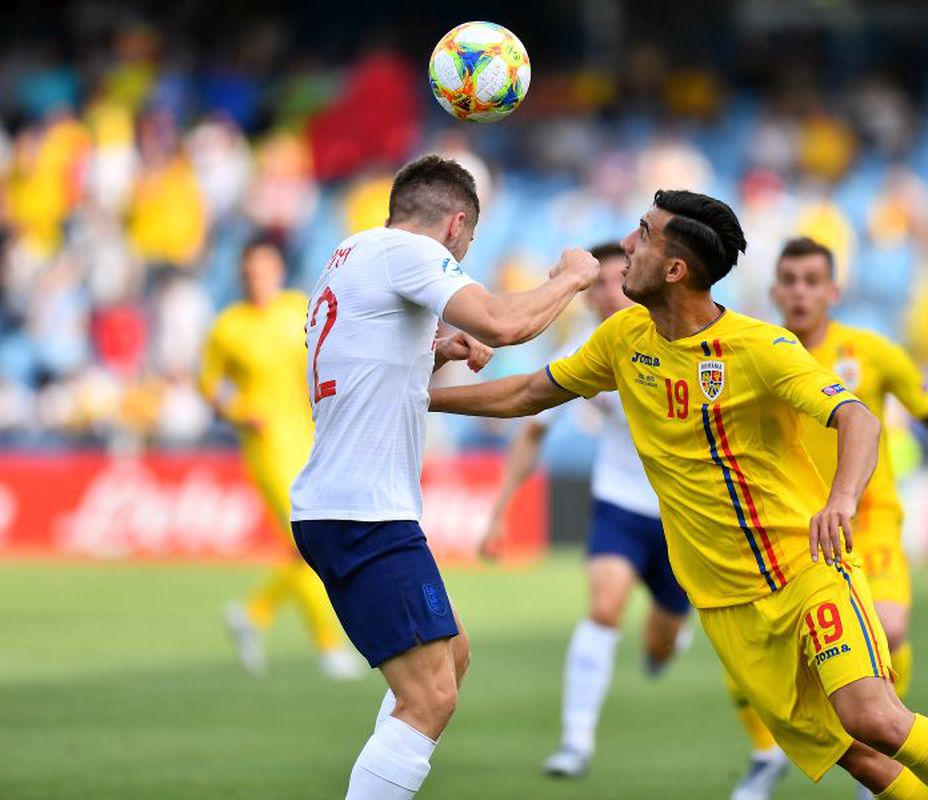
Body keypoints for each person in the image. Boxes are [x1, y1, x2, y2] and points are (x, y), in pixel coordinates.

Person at [429, 190, 928, 799]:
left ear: (675, 269)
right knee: (857, 757)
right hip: (724, 603)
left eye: (643, 235)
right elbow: (527, 393)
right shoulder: (625, 336)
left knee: (874, 718)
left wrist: (841, 500)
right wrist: (421, 395)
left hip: (802, 570)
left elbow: (858, 419)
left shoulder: (762, 348)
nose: (627, 247)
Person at [288, 154, 599, 800]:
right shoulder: (409, 254)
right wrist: (573, 278)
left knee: (450, 659)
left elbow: (363, 361)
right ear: (455, 225)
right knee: (429, 698)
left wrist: (436, 349)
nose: (464, 253)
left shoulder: (351, 255)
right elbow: (506, 324)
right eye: (470, 243)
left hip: (349, 505)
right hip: (362, 513)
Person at [725, 236, 928, 800]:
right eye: (789, 280)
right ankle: (770, 752)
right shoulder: (756, 351)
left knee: (888, 627)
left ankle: (889, 729)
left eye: (812, 281)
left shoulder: (873, 352)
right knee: (756, 653)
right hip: (794, 530)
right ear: (774, 290)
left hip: (869, 520)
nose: (799, 292)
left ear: (833, 291)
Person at [479, 242, 692, 779]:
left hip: (682, 518)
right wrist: (499, 512)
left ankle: (667, 640)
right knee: (603, 608)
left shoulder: (680, 340)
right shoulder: (584, 348)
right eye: (594, 283)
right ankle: (576, 741)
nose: (603, 293)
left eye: (613, 280)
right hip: (618, 503)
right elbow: (532, 425)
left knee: (661, 643)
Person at [199, 236, 363, 680]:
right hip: (267, 446)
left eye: (266, 270)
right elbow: (209, 384)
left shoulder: (297, 308)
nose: (259, 279)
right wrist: (237, 412)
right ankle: (328, 647)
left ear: (278, 271)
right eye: (251, 272)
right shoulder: (228, 326)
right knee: (306, 543)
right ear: (242, 275)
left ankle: (253, 614)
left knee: (315, 542)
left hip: (312, 437)